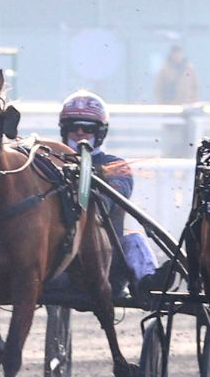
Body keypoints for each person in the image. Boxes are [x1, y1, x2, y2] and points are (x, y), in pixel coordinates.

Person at [58, 89, 160, 293]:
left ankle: (149, 284)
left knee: (134, 239)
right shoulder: (49, 162)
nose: (79, 133)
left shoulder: (114, 165)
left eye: (87, 128)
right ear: (63, 130)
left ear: (100, 133)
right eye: (72, 127)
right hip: (56, 259)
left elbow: (110, 199)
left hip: (105, 261)